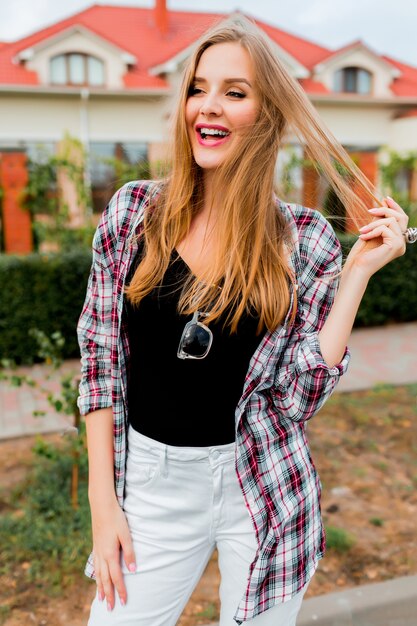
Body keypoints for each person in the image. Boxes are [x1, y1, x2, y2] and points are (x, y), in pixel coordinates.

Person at [77, 19, 412, 626]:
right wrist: (104, 505)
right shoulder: (132, 214)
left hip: (260, 486)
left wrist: (355, 277)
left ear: (266, 112)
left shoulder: (305, 240)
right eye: (198, 88)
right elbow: (100, 363)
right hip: (151, 483)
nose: (209, 106)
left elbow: (295, 399)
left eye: (235, 91)